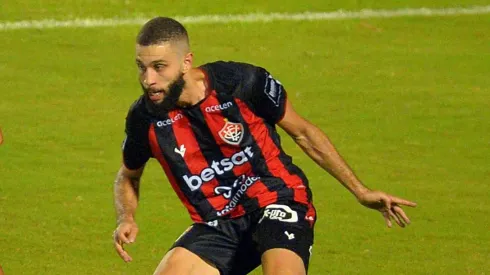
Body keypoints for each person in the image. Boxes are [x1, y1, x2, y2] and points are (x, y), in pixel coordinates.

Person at [112, 17, 417, 275]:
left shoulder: (241, 83)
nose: (148, 79)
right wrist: (126, 216)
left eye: (159, 67)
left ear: (186, 62)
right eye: (142, 67)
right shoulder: (145, 119)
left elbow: (304, 133)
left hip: (277, 200)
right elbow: (129, 175)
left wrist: (360, 191)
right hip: (219, 223)